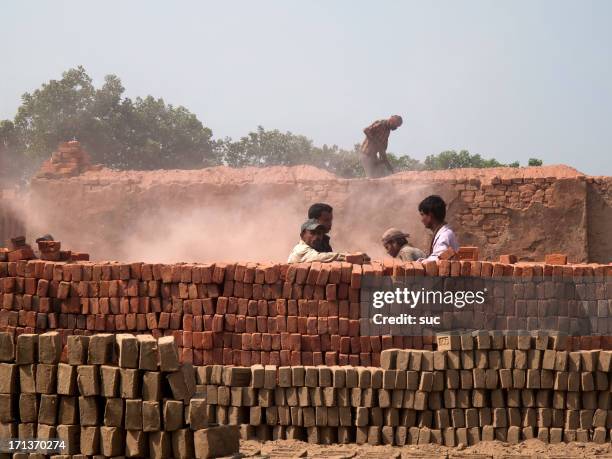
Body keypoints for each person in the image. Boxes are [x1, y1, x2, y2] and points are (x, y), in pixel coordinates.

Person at [288, 219, 368, 264]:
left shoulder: (316, 247)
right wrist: (346, 256)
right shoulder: (301, 249)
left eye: (319, 233)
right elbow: (319, 257)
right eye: (312, 233)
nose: (316, 237)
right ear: (302, 235)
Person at [417, 195, 459, 262]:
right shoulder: (442, 233)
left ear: (430, 215)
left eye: (422, 215)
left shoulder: (444, 235)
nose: (422, 220)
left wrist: (420, 263)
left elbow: (438, 260)